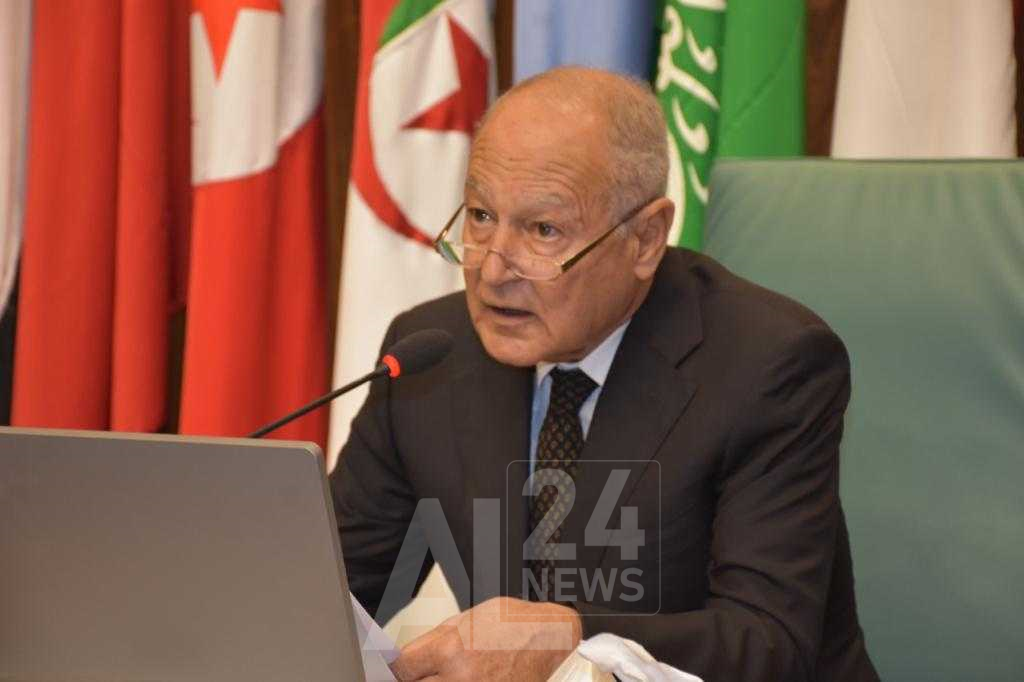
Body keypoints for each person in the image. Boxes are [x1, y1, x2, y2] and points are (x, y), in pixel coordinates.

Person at [330, 67, 879, 682]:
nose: (492, 272)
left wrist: (571, 638)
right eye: (481, 216)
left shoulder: (769, 365)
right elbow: (327, 587)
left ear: (645, 239)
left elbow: (766, 644)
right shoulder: (431, 353)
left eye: (543, 230)